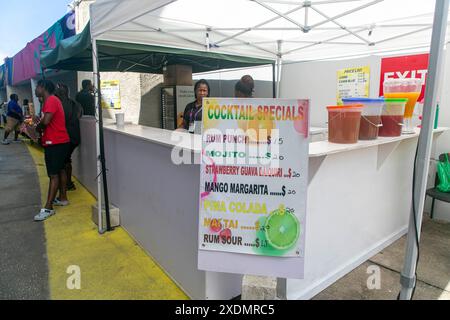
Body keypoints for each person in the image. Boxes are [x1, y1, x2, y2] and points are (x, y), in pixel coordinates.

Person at [34, 80, 71, 222]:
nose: (36, 90)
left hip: (55, 143)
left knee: (53, 175)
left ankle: (48, 208)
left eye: (37, 87)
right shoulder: (52, 100)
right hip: (60, 142)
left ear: (43, 88)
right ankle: (63, 198)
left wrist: (37, 128)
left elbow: (47, 121)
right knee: (60, 170)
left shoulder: (50, 100)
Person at [55, 83, 82, 191]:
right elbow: (80, 115)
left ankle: (68, 184)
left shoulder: (60, 104)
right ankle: (68, 183)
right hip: (74, 137)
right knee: (66, 160)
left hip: (66, 138)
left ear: (60, 93)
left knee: (64, 162)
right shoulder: (75, 103)